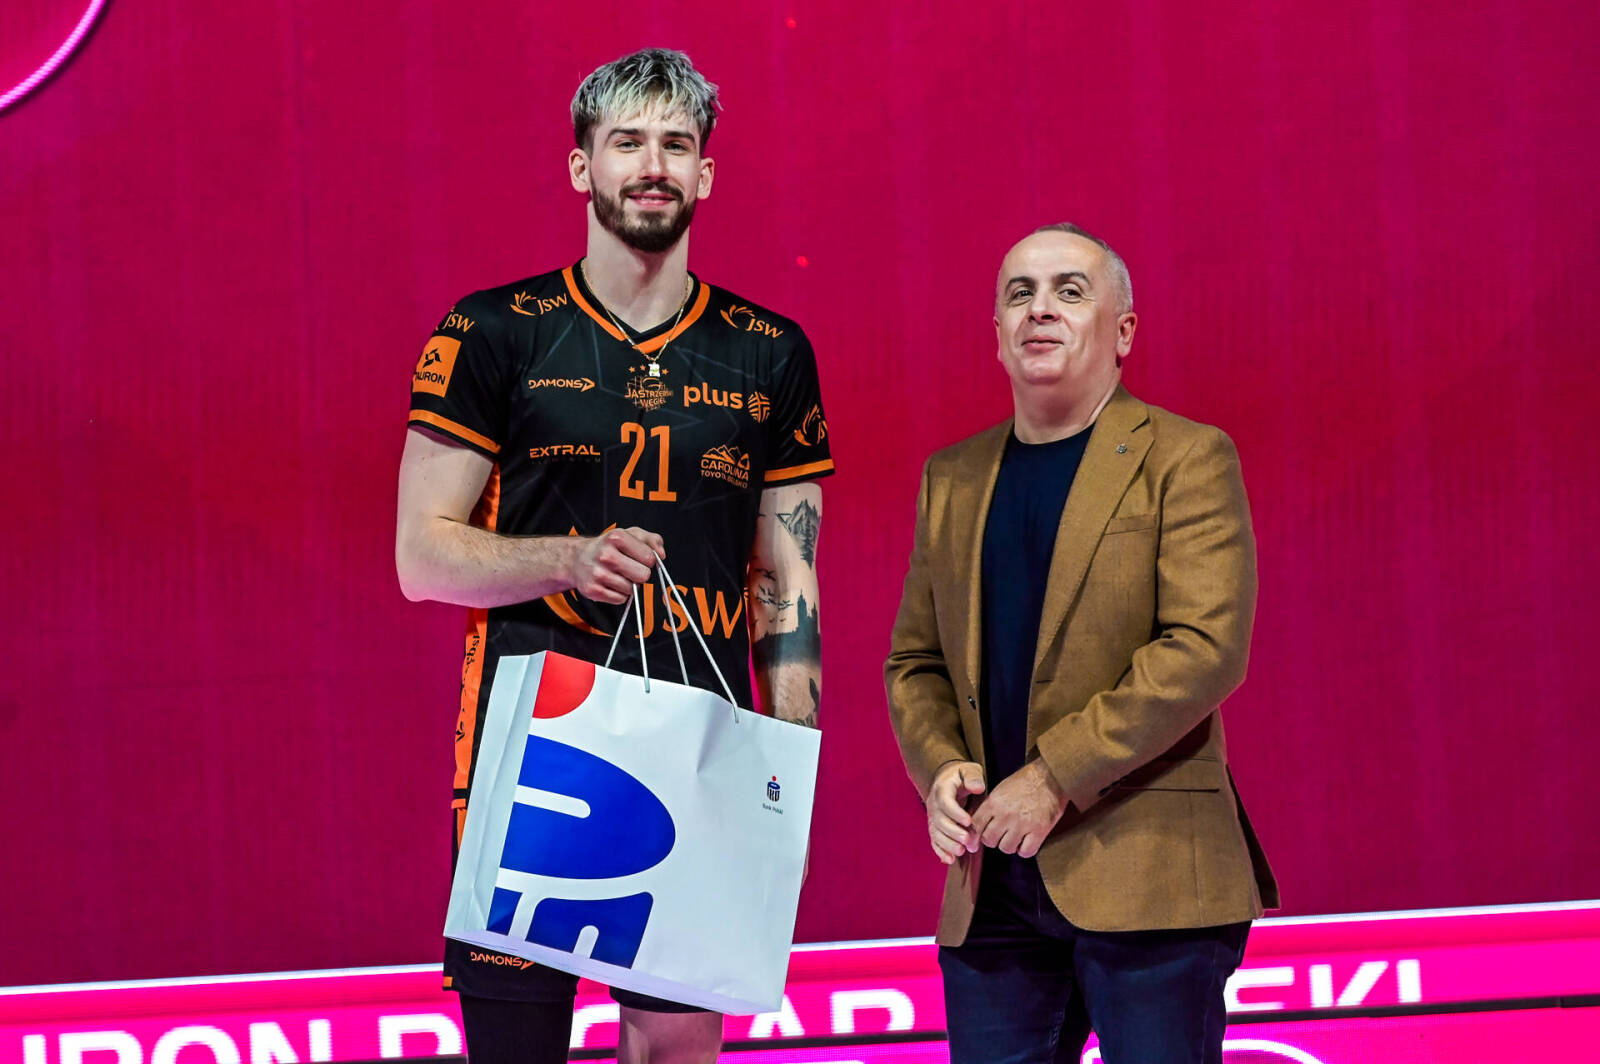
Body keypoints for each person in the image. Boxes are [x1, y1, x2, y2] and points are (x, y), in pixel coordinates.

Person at [395, 48, 832, 1064]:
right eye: (626, 142)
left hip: (703, 749)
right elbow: (421, 557)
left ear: (705, 174)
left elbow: (787, 586)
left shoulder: (771, 350)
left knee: (674, 1050)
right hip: (531, 755)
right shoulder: (493, 331)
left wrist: (787, 776)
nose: (652, 165)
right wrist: (567, 558)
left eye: (676, 145)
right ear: (580, 166)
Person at [884, 223, 1277, 1064]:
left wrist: (1054, 776)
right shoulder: (951, 478)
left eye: (1069, 291)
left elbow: (1204, 647)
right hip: (992, 886)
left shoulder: (1188, 457)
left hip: (1151, 875)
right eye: (1019, 294)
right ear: (997, 334)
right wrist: (938, 766)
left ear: (1123, 331)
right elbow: (916, 661)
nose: (1040, 309)